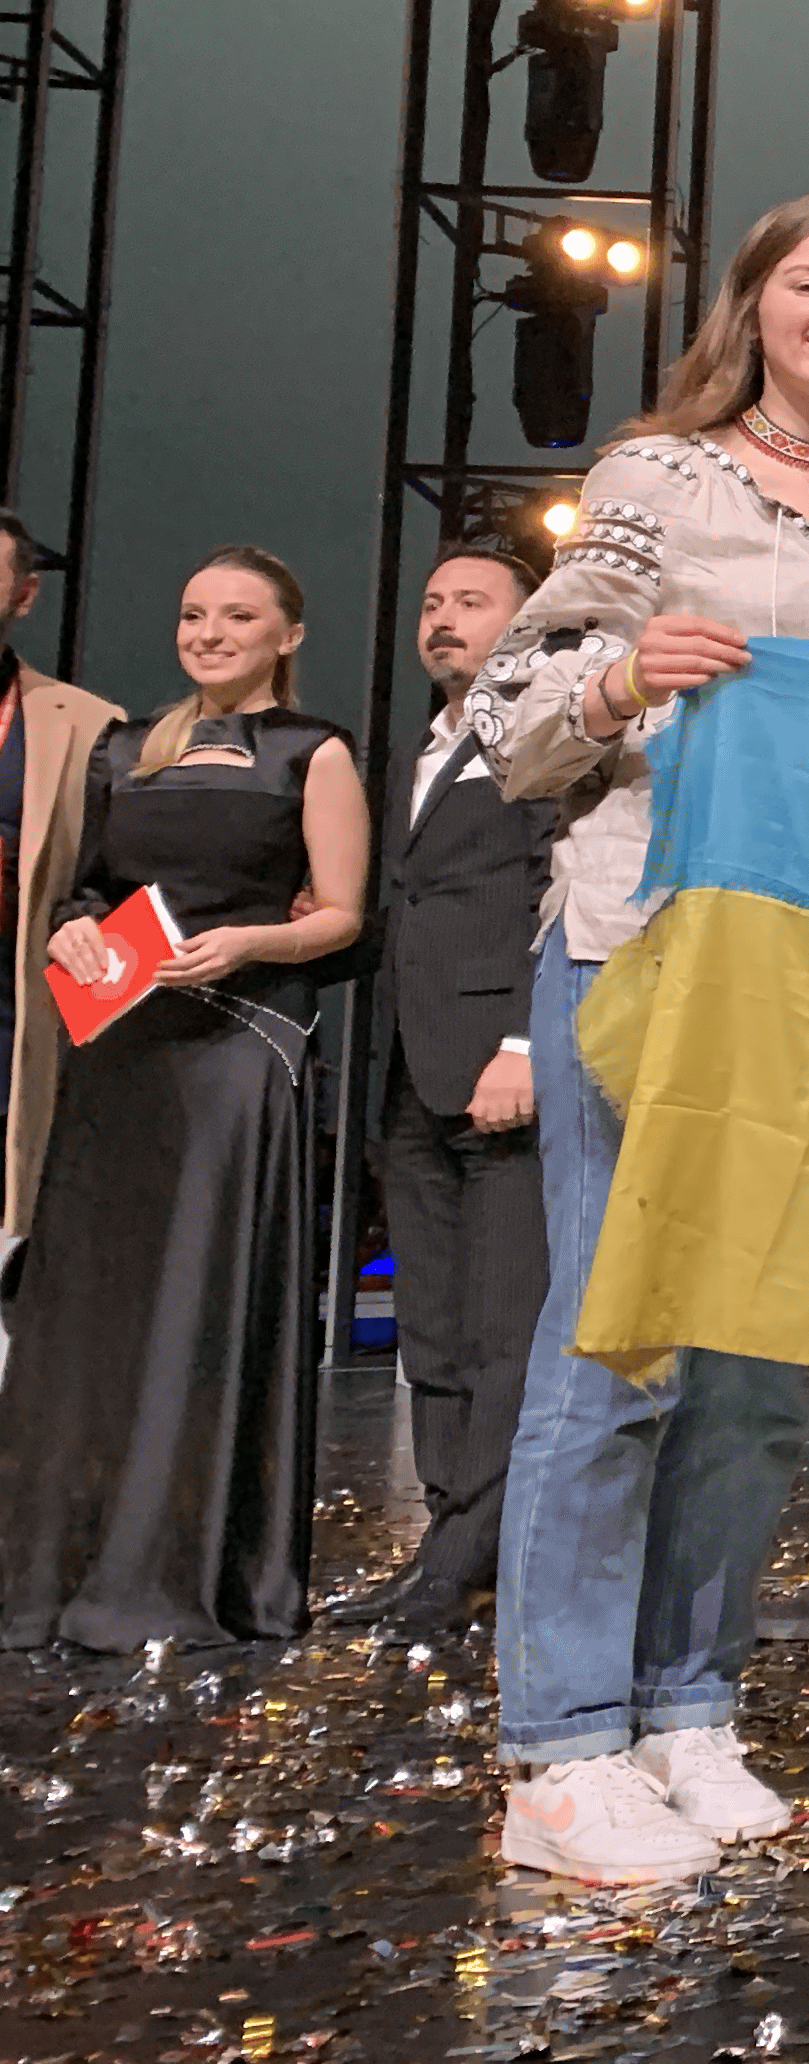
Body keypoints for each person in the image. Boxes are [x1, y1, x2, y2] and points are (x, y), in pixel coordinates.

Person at [471, 188, 809, 1885]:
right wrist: (618, 679)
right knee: (620, 1349)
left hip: (808, 980)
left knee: (750, 1381)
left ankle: (685, 1700)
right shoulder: (658, 474)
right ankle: (559, 1743)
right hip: (637, 947)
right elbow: (508, 719)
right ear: (752, 307)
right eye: (807, 280)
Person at [0, 549, 362, 1650]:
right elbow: (90, 885)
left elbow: (344, 916)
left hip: (232, 1054)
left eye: (237, 615)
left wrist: (254, 939)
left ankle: (181, 1571)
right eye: (193, 613)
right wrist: (70, 919)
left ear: (286, 636)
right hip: (118, 1049)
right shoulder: (123, 748)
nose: (209, 633)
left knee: (200, 1309)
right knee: (94, 1310)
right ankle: (60, 1568)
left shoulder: (315, 750)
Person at [335, 540, 560, 1633]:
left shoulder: (543, 735)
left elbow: (552, 887)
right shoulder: (419, 750)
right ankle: (448, 1532)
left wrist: (525, 1043)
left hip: (501, 1062)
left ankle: (480, 1551)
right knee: (430, 1322)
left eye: (472, 601)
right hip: (415, 1072)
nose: (443, 618)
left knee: (503, 1324)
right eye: (432, 601)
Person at [0, 511, 128, 1281]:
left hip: (12, 1025)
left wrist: (79, 919)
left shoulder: (85, 724)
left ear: (26, 594)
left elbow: (113, 874)